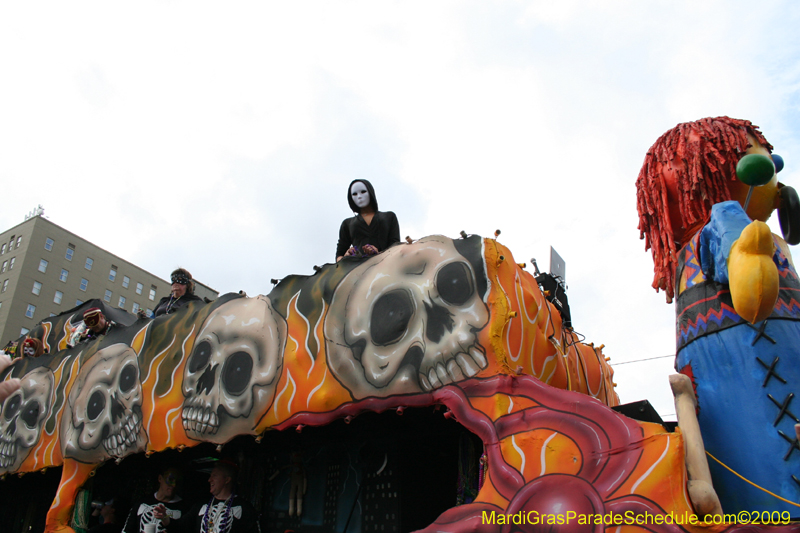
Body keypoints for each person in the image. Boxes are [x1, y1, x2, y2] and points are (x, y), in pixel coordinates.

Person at [154, 460, 258, 533]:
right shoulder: (201, 505)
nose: (209, 480)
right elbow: (181, 527)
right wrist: (164, 517)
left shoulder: (245, 509)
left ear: (227, 480)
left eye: (214, 476)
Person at [336, 179, 400, 261]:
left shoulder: (389, 217)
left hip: (386, 264)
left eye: (363, 192)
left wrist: (379, 253)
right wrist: (346, 257)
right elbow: (339, 255)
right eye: (354, 194)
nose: (359, 196)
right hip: (359, 267)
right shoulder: (347, 223)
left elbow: (396, 246)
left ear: (370, 192)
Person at [123, 467, 189, 533]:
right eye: (170, 480)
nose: (173, 485)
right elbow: (127, 529)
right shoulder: (142, 502)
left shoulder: (184, 508)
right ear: (160, 478)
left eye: (177, 482)